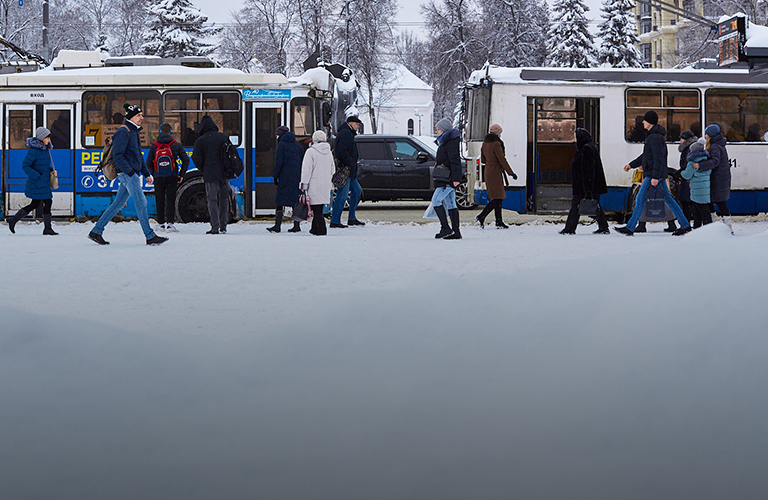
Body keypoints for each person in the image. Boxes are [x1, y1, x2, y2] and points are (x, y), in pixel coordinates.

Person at [88, 103, 167, 246]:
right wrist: (130, 172)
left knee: (117, 204)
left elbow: (138, 156)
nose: (142, 118)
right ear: (131, 117)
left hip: (130, 173)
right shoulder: (123, 132)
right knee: (141, 203)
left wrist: (146, 173)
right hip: (127, 174)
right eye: (139, 115)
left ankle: (96, 231)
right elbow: (118, 156)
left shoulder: (134, 131)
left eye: (141, 115)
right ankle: (150, 236)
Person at [615, 110, 692, 236]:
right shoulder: (653, 136)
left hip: (653, 174)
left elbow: (658, 158)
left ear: (649, 122)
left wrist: (655, 176)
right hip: (657, 173)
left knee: (640, 199)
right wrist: (631, 165)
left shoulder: (654, 137)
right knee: (668, 199)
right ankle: (685, 225)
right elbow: (646, 156)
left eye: (645, 120)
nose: (643, 122)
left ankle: (630, 227)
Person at [6, 127, 58, 235]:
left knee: (35, 203)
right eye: (47, 138)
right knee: (47, 201)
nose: (49, 140)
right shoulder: (34, 151)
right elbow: (25, 166)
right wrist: (37, 175)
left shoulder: (45, 149)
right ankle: (47, 228)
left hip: (43, 181)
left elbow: (42, 165)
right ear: (42, 138)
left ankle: (14, 220)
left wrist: (51, 171)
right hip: (37, 182)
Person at [559, 128, 609, 235]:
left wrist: (588, 189)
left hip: (585, 186)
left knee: (577, 206)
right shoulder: (587, 148)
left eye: (575, 137)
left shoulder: (586, 149)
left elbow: (588, 170)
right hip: (586, 185)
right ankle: (603, 227)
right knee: (593, 206)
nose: (574, 140)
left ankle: (570, 228)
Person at [146, 123, 189, 232]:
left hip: (158, 177)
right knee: (171, 199)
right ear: (171, 132)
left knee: (159, 199)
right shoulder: (176, 145)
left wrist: (155, 173)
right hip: (172, 176)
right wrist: (181, 174)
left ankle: (160, 224)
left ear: (160, 132)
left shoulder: (154, 146)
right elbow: (186, 160)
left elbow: (148, 163)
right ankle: (170, 224)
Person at [192, 115, 230, 234]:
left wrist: (204, 168)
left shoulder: (201, 140)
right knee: (223, 200)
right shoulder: (223, 137)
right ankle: (223, 226)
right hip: (224, 174)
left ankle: (215, 227)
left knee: (212, 200)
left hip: (210, 174)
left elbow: (196, 158)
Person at [475, 124, 516, 229]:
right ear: (497, 133)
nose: (500, 135)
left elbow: (483, 160)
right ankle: (481, 216)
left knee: (498, 197)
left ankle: (499, 221)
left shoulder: (485, 143)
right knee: (497, 198)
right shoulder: (497, 144)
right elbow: (502, 159)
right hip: (495, 173)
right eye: (500, 133)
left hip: (488, 171)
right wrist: (511, 173)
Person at [693, 124, 733, 231]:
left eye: (706, 134)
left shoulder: (715, 146)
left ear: (710, 135)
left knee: (720, 202)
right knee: (713, 201)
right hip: (719, 178)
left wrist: (700, 165)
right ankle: (716, 226)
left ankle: (722, 227)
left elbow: (715, 161)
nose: (705, 136)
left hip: (717, 179)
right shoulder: (719, 145)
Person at [431, 118, 463, 239]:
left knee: (436, 201)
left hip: (447, 179)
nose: (437, 131)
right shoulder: (446, 142)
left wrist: (456, 178)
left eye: (438, 129)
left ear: (444, 130)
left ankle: (445, 228)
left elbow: (455, 161)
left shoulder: (450, 143)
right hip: (446, 178)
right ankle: (456, 232)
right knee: (451, 203)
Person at [268, 125, 304, 233]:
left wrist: (275, 176)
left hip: (284, 176)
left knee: (280, 201)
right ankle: (296, 225)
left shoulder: (281, 144)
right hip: (296, 176)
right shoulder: (297, 144)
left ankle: (277, 225)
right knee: (294, 200)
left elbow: (279, 161)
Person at [330, 115, 364, 228]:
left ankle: (352, 218)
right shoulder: (345, 134)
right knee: (342, 195)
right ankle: (335, 221)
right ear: (351, 123)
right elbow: (341, 151)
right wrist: (350, 162)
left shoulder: (348, 133)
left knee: (357, 192)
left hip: (350, 170)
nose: (358, 126)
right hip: (346, 169)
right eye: (357, 124)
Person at [300, 130, 335, 236]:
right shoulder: (329, 152)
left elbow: (306, 170)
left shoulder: (311, 151)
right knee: (318, 208)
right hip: (325, 184)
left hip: (313, 184)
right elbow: (333, 170)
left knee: (317, 210)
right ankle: (314, 229)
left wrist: (303, 184)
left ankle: (321, 230)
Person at [682, 139, 712, 228]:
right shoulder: (706, 161)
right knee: (704, 209)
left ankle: (698, 227)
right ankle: (705, 227)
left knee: (697, 211)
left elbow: (687, 175)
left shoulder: (692, 163)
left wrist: (682, 173)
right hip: (705, 190)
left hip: (696, 190)